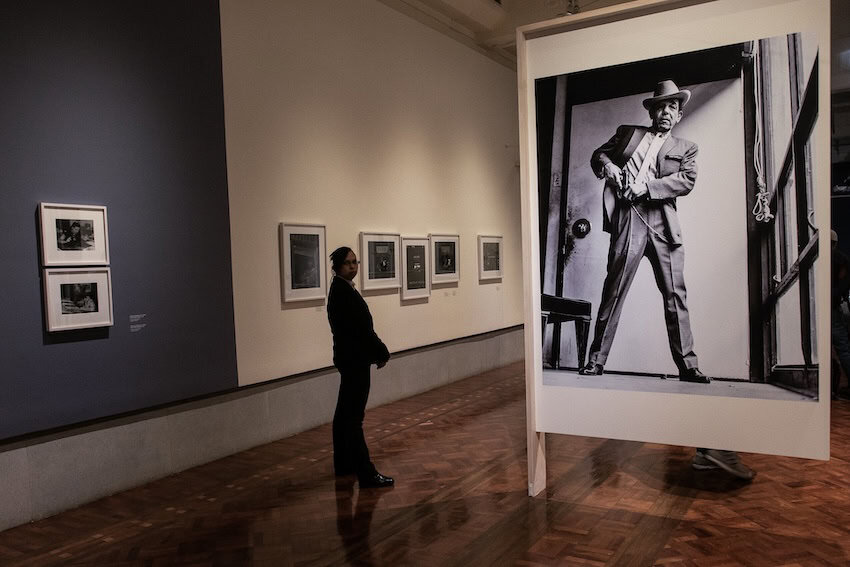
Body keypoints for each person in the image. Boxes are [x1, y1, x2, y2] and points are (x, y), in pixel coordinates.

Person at [579, 79, 706, 384]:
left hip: (664, 223)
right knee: (614, 290)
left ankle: (688, 367)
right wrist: (607, 165)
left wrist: (646, 187)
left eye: (672, 107)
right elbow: (599, 154)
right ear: (652, 111)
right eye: (661, 105)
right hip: (629, 219)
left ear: (679, 115)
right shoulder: (628, 134)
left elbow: (686, 181)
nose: (665, 111)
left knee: (676, 296)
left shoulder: (687, 148)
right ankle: (596, 361)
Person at [327, 246, 394, 488]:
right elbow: (362, 330)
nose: (353, 267)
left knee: (345, 415)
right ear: (337, 267)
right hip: (354, 362)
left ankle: (344, 464)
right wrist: (381, 351)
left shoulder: (341, 289)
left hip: (350, 360)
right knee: (354, 418)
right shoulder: (343, 293)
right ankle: (366, 472)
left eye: (355, 262)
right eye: (348, 263)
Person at [831, 230, 850, 397]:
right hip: (834, 307)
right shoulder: (841, 259)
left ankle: (828, 387)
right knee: (843, 348)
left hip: (820, 307)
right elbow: (844, 285)